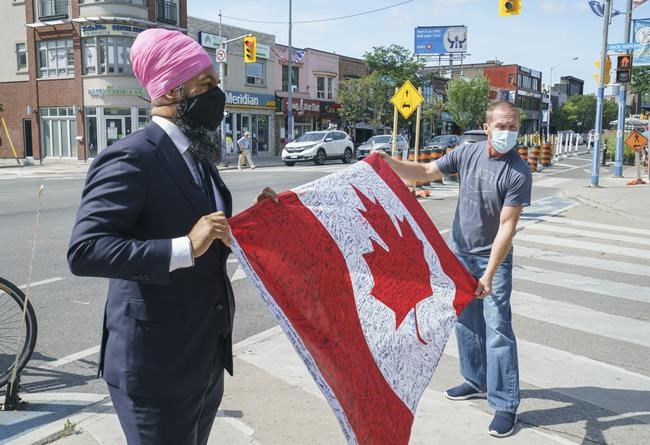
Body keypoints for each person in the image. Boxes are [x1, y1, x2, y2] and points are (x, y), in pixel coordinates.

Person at [67, 28, 277, 445]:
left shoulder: (198, 155)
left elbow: (208, 229)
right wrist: (184, 247)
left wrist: (256, 220)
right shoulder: (132, 156)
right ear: (169, 91)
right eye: (205, 84)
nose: (217, 95)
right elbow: (85, 250)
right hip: (155, 368)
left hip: (203, 356)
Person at [377, 101, 532, 438]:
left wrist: (489, 274)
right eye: (502, 125)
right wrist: (387, 162)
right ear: (487, 127)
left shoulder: (518, 171)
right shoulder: (467, 153)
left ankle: (505, 404)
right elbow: (425, 172)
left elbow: (507, 227)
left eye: (513, 126)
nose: (508, 132)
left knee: (498, 329)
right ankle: (475, 380)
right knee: (465, 322)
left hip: (493, 259)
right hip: (460, 254)